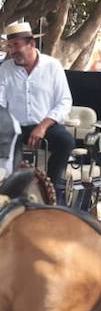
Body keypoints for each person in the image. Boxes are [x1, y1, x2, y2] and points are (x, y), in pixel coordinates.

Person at [0, 20, 73, 200]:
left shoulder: (52, 66)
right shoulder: (5, 69)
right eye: (10, 46)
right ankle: (9, 193)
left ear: (31, 43)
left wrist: (43, 126)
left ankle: (51, 190)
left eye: (16, 45)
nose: (12, 51)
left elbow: (64, 101)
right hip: (15, 128)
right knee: (6, 153)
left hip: (45, 124)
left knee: (66, 142)